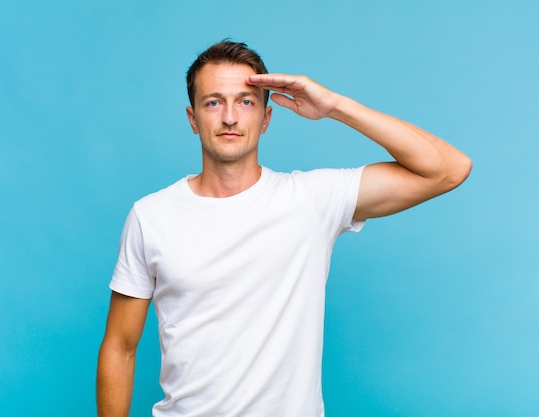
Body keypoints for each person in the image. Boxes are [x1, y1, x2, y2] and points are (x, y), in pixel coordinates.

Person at [96, 40, 471, 417]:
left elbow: (447, 169)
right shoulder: (151, 216)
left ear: (266, 118)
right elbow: (120, 346)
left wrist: (335, 106)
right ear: (193, 119)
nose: (229, 117)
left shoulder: (311, 200)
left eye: (245, 101)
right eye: (213, 102)